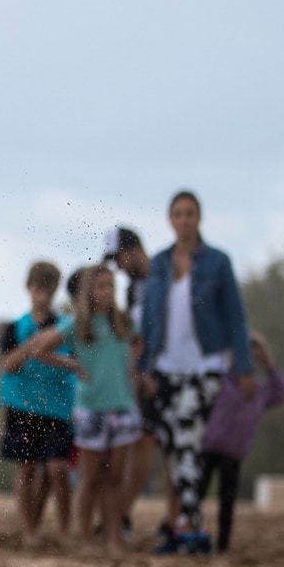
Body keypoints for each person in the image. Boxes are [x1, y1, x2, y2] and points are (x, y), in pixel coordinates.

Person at [137, 191, 255, 555]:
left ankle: (191, 526)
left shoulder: (218, 262)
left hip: (207, 364)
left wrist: (244, 365)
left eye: (190, 214)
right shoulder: (158, 263)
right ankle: (184, 527)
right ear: (170, 220)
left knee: (188, 436)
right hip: (166, 365)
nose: (184, 220)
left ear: (199, 218)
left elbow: (236, 315)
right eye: (178, 214)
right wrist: (145, 367)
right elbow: (149, 319)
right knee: (173, 446)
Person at [28, 265, 137, 559]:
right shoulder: (77, 325)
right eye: (101, 286)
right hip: (90, 408)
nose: (107, 292)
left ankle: (114, 538)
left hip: (122, 406)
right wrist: (72, 365)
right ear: (89, 291)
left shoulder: (123, 322)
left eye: (111, 286)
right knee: (89, 478)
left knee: (115, 478)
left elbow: (137, 344)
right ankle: (85, 537)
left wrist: (132, 372)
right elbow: (40, 349)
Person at [0, 261, 76, 547]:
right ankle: (30, 532)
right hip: (21, 404)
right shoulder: (16, 327)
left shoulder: (64, 329)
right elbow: (8, 365)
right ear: (28, 288)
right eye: (37, 288)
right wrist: (34, 344)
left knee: (58, 468)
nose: (42, 295)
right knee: (27, 468)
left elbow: (75, 364)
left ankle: (65, 531)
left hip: (57, 406)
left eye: (48, 289)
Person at [201, 333, 284, 552]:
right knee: (197, 491)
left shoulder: (259, 392)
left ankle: (222, 544)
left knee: (227, 498)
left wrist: (270, 366)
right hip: (209, 445)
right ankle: (191, 533)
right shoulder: (224, 381)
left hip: (234, 451)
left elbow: (280, 393)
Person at [105, 225, 159, 539]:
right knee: (135, 442)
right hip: (136, 375)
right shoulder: (131, 289)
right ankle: (120, 516)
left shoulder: (162, 279)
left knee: (145, 443)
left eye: (119, 258)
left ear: (132, 250)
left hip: (159, 373)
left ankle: (121, 515)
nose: (119, 266)